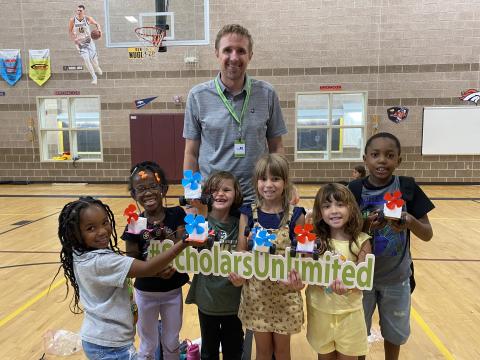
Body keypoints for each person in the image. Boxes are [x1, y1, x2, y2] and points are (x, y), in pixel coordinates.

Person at [56, 196, 190, 360]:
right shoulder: (101, 261)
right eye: (91, 228)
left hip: (100, 339)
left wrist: (154, 272)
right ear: (75, 234)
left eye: (105, 222)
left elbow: (144, 270)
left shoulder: (80, 254)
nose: (102, 231)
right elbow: (147, 267)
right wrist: (183, 243)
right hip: (110, 346)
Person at [348, 132, 434, 360]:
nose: (382, 160)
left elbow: (427, 234)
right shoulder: (353, 190)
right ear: (365, 159)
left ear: (399, 160)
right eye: (375, 155)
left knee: (394, 334)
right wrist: (366, 224)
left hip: (397, 278)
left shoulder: (407, 188)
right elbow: (343, 232)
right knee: (357, 334)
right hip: (360, 278)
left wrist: (410, 221)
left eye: (389, 155)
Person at [183, 24, 287, 204]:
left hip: (258, 197)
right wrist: (191, 194)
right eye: (227, 50)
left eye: (241, 51)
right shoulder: (198, 96)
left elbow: (277, 147)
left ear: (250, 55)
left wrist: (285, 188)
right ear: (217, 53)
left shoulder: (267, 93)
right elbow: (191, 152)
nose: (234, 57)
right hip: (215, 198)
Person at [236, 154, 305, 360]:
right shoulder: (248, 212)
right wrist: (239, 276)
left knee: (283, 352)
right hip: (257, 295)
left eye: (275, 179)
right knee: (263, 352)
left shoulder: (297, 215)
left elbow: (303, 257)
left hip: (286, 296)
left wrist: (298, 282)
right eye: (263, 179)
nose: (268, 184)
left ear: (285, 182)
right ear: (256, 182)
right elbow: (241, 252)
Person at [121, 161, 190, 360]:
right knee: (148, 343)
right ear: (134, 195)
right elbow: (131, 260)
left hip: (172, 291)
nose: (148, 192)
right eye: (141, 189)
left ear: (164, 189)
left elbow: (184, 246)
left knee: (171, 341)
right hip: (145, 293)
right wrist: (153, 270)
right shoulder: (135, 223)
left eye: (153, 186)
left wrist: (173, 267)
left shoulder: (177, 214)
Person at [305, 183, 371, 359]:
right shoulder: (314, 241)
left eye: (340, 204)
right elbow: (305, 269)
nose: (334, 210)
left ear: (351, 208)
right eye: (327, 206)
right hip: (320, 311)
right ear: (320, 212)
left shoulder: (362, 241)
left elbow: (363, 279)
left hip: (349, 314)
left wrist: (349, 285)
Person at [186, 171, 246, 360]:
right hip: (207, 299)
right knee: (209, 351)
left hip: (233, 301)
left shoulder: (241, 223)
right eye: (214, 190)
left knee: (234, 350)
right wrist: (202, 215)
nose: (220, 194)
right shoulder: (199, 220)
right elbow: (195, 251)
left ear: (236, 194)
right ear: (206, 194)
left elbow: (246, 257)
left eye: (226, 189)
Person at [68, 4, 102, 84]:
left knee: (94, 60)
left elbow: (97, 24)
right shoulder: (72, 20)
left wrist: (99, 31)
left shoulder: (88, 19)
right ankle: (94, 77)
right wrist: (74, 39)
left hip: (88, 40)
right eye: (78, 10)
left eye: (80, 10)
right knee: (86, 59)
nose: (78, 11)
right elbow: (70, 31)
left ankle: (97, 67)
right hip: (80, 43)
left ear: (83, 11)